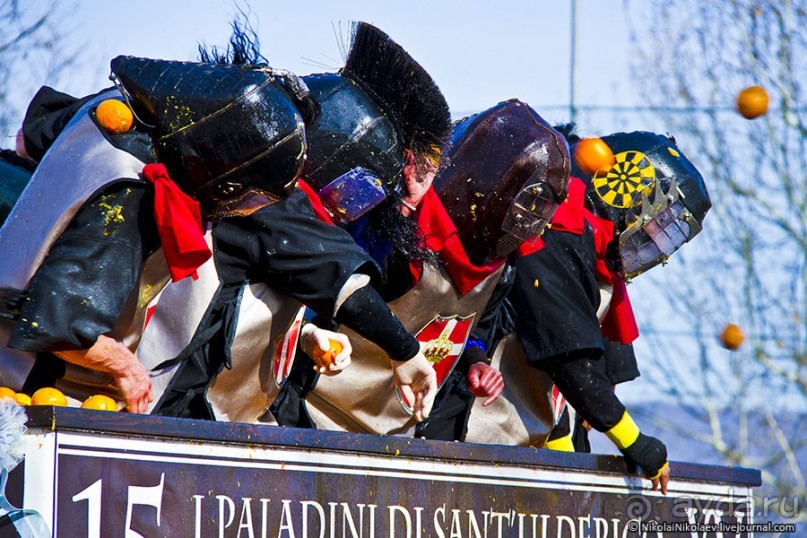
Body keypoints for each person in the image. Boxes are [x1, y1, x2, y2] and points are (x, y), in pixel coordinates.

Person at [115, 21, 452, 422]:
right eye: (364, 191)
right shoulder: (267, 198)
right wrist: (406, 352)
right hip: (146, 404)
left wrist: (306, 335)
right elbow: (326, 263)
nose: (358, 208)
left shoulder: (277, 212)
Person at [274, 99, 570, 437]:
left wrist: (476, 362)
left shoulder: (502, 269)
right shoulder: (401, 234)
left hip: (399, 436)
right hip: (314, 416)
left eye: (542, 209)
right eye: (528, 202)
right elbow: (327, 291)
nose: (530, 221)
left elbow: (471, 330)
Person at [480, 129, 711, 494]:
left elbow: (580, 385)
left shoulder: (598, 253)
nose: (653, 238)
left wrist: (568, 456)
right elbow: (568, 361)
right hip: (486, 425)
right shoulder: (554, 223)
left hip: (533, 434)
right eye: (655, 222)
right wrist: (637, 443)